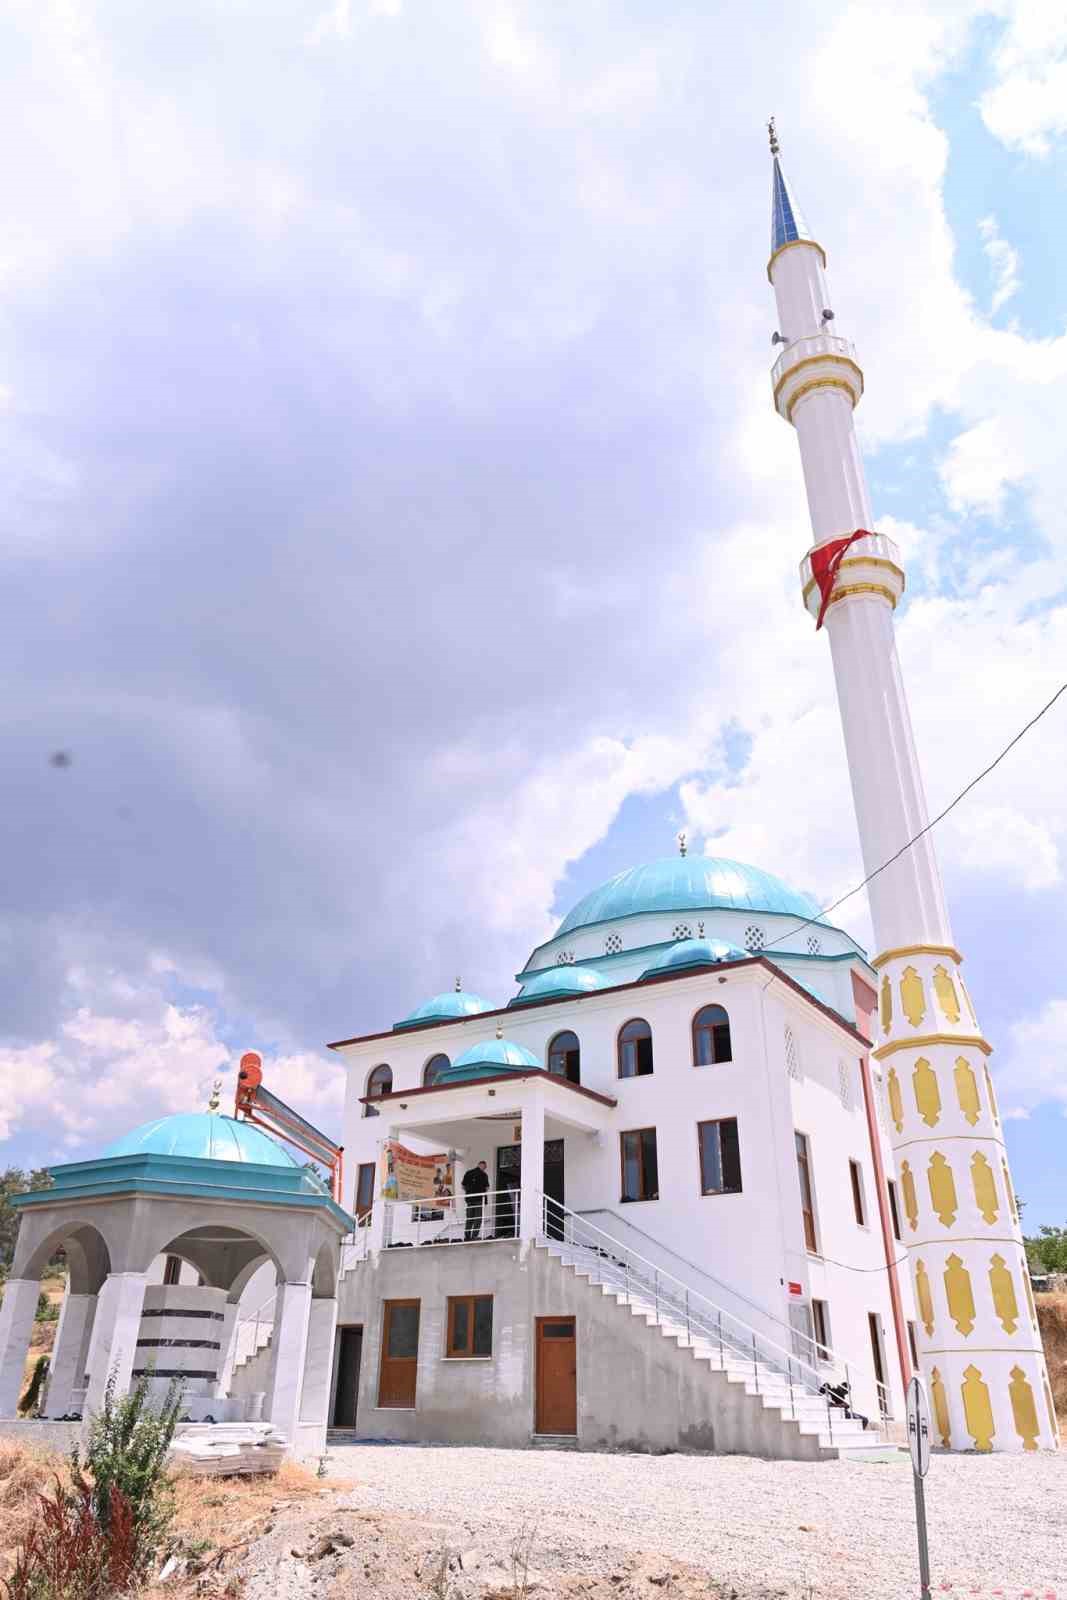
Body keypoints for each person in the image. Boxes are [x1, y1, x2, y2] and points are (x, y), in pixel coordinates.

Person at [461, 1160, 490, 1241]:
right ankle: (474, 1236)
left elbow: (463, 1186)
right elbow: (487, 1188)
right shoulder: (484, 1175)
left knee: (470, 1218)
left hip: (470, 1199)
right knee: (478, 1218)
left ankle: (467, 1236)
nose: (484, 1169)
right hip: (479, 1199)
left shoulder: (468, 1173)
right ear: (482, 1166)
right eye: (484, 1167)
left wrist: (470, 1192)